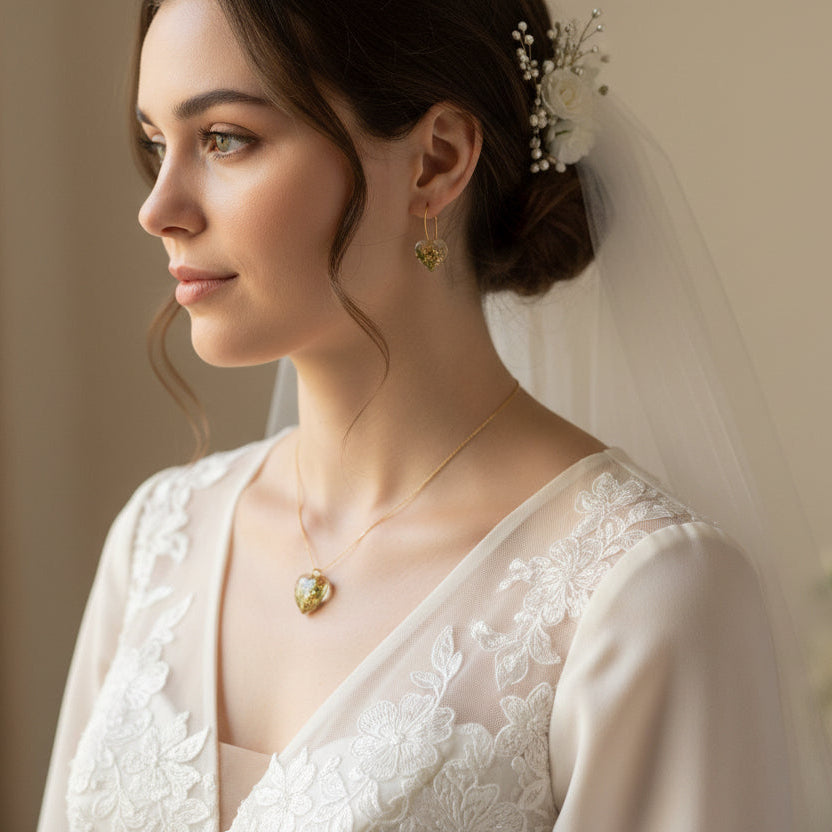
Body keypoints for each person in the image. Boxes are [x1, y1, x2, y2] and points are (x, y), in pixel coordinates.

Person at [37, 0, 832, 829]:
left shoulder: (641, 597)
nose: (158, 208)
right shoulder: (159, 541)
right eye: (158, 144)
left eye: (225, 139)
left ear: (436, 163)